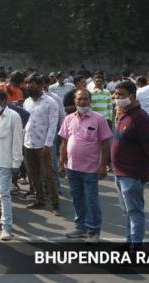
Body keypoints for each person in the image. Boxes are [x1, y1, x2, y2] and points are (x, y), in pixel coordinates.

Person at [58, 89, 112, 244]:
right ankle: (80, 227)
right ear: (74, 101)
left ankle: (93, 231)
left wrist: (103, 166)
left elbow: (105, 144)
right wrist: (61, 163)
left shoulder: (99, 119)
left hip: (91, 169)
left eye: (85, 99)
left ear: (90, 101)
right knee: (77, 198)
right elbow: (64, 143)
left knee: (91, 200)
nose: (82, 102)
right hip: (72, 167)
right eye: (79, 99)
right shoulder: (68, 119)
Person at [111, 81, 149, 250]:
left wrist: (146, 171)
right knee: (127, 212)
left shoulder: (141, 118)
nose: (116, 98)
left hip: (132, 174)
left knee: (135, 212)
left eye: (120, 95)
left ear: (132, 96)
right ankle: (129, 241)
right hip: (120, 173)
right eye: (115, 94)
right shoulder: (123, 113)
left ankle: (135, 249)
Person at [0, 91, 23, 241]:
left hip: (7, 162)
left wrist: (16, 163)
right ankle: (3, 220)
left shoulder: (14, 116)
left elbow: (17, 141)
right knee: (0, 193)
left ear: (4, 101)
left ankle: (7, 227)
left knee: (5, 194)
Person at [23, 75, 61, 215]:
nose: (28, 87)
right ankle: (40, 200)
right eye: (27, 85)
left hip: (43, 144)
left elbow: (53, 125)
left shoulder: (51, 102)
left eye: (31, 85)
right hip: (28, 142)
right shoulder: (27, 102)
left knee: (48, 174)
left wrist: (48, 144)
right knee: (33, 174)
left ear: (40, 86)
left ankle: (55, 204)